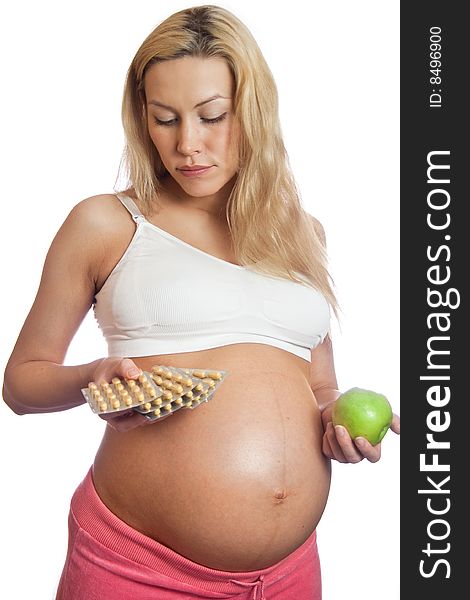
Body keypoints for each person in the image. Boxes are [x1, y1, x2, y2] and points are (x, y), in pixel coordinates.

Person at [2, 4, 399, 599]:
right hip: (137, 571)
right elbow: (21, 384)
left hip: (289, 575)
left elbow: (318, 386)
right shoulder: (107, 223)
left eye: (213, 116)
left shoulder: (302, 233)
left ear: (255, 112)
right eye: (165, 120)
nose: (188, 145)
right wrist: (93, 376)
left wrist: (336, 422)